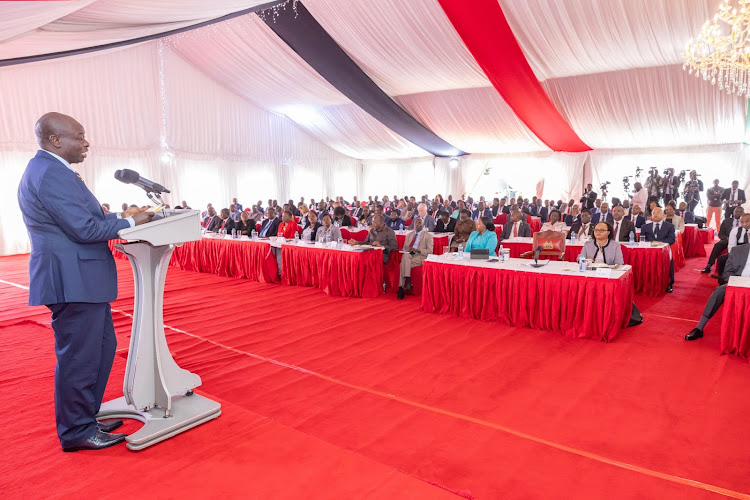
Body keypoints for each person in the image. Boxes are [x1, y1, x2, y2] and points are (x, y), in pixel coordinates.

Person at [18, 112, 153, 452]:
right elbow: (85, 229)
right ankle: (77, 430)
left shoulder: (51, 170)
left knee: (100, 350)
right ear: (56, 141)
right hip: (71, 279)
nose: (86, 142)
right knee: (80, 357)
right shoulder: (51, 173)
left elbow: (86, 218)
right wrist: (128, 222)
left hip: (79, 279)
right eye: (79, 136)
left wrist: (124, 217)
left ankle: (85, 416)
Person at [685, 243, 750, 340]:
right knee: (719, 291)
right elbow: (727, 272)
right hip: (738, 284)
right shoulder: (737, 250)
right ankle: (699, 328)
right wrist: (737, 282)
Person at [641, 207, 676, 292]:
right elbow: (642, 239)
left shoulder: (670, 226)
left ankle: (669, 283)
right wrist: (650, 243)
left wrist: (659, 243)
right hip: (649, 251)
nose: (655, 214)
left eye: (658, 212)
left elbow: (672, 239)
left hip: (664, 250)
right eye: (654, 213)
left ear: (663, 215)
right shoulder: (645, 227)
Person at [397, 218, 433, 299]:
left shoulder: (428, 236)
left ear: (423, 225)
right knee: (405, 257)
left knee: (403, 263)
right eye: (416, 223)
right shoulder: (409, 235)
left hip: (420, 255)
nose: (417, 224)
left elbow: (430, 251)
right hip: (409, 254)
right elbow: (404, 248)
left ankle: (401, 287)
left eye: (419, 223)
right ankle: (408, 281)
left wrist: (418, 250)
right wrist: (407, 250)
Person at [702, 206, 744, 273]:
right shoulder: (726, 221)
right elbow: (720, 234)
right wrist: (727, 238)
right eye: (737, 211)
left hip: (742, 241)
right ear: (733, 212)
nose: (738, 213)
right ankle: (709, 265)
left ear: (743, 213)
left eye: (740, 211)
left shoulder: (745, 222)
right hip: (727, 240)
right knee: (717, 245)